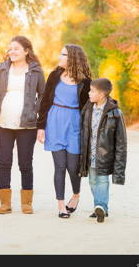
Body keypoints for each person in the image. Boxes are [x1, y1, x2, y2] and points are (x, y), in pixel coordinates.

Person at [0, 36, 45, 215]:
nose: (11, 52)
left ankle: (26, 203)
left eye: (16, 49)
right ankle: (5, 203)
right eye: (10, 48)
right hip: (3, 123)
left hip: (27, 124)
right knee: (4, 162)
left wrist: (34, 112)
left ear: (26, 51)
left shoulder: (35, 71)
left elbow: (43, 96)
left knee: (25, 163)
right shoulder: (4, 67)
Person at [37, 44, 92, 218]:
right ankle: (61, 205)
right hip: (54, 122)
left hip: (74, 124)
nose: (59, 57)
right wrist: (40, 127)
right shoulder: (54, 75)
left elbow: (90, 105)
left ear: (73, 58)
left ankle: (76, 195)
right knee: (59, 166)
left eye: (63, 54)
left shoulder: (85, 82)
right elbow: (45, 101)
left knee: (73, 167)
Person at [79, 78, 127, 223]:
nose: (89, 93)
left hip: (105, 156)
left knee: (102, 180)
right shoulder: (87, 109)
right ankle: (98, 207)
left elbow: (121, 142)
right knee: (93, 181)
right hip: (90, 154)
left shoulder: (115, 113)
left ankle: (101, 206)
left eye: (92, 91)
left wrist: (119, 168)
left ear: (102, 94)